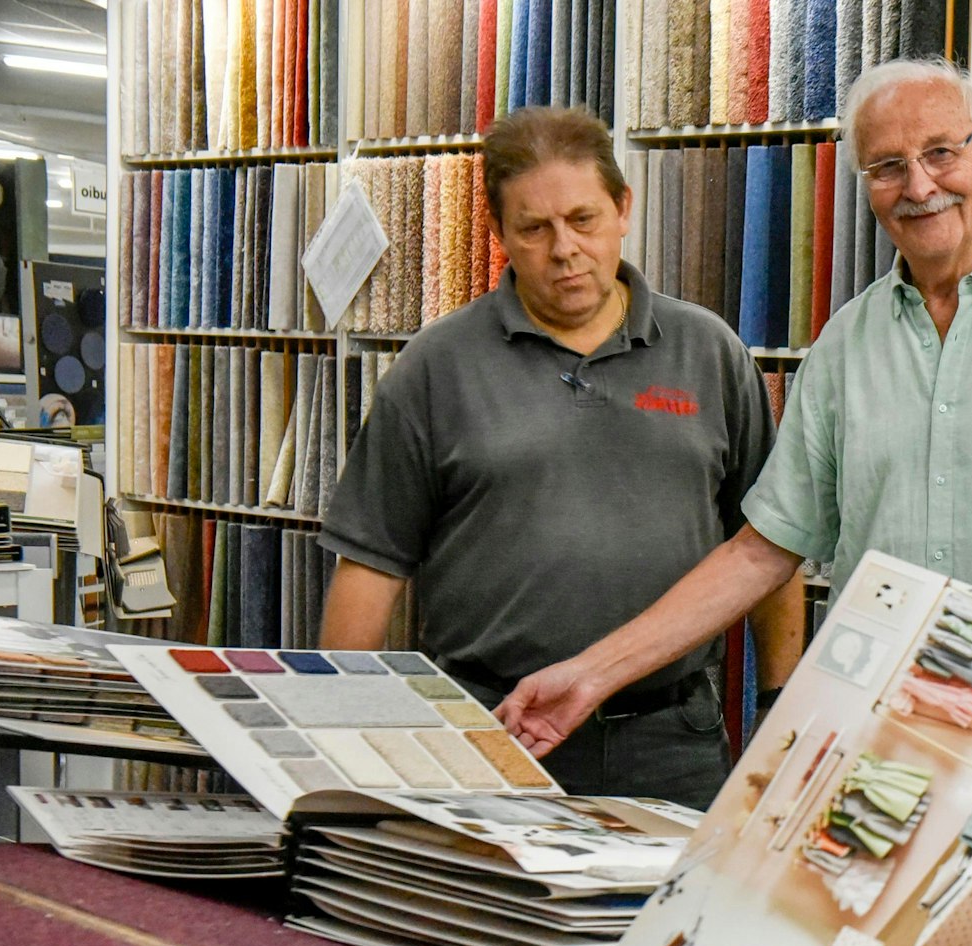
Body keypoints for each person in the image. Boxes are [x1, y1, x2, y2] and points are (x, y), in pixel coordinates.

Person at [496, 59, 972, 753]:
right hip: (884, 731)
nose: (919, 186)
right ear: (866, 185)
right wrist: (590, 676)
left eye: (940, 152)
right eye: (888, 167)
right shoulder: (844, 345)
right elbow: (762, 551)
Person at [319, 107, 803, 806]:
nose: (564, 249)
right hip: (490, 730)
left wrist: (780, 711)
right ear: (499, 232)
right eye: (535, 228)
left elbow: (768, 544)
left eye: (583, 219)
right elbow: (370, 566)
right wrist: (339, 749)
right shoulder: (436, 367)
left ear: (623, 208)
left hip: (670, 740)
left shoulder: (710, 352)